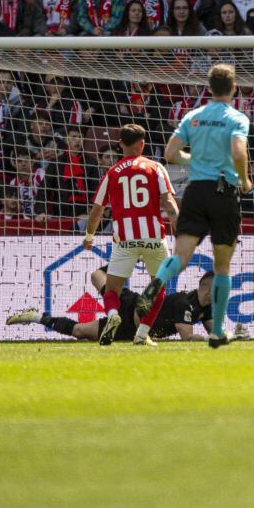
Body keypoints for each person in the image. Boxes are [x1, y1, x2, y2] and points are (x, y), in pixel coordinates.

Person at [137, 64, 251, 349]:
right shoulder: (236, 118)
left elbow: (170, 153)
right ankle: (217, 332)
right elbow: (239, 152)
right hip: (224, 192)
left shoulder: (193, 116)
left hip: (196, 192)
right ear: (234, 88)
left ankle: (158, 280)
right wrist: (245, 179)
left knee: (180, 257)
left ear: (209, 88)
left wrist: (195, 160)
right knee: (222, 267)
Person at [84, 124, 179, 346]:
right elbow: (169, 203)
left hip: (125, 240)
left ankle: (112, 314)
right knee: (158, 287)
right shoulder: (155, 168)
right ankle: (142, 334)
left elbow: (97, 211)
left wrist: (89, 236)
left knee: (112, 289)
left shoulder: (112, 173)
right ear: (142, 144)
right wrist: (180, 228)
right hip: (154, 239)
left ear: (120, 144)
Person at [6, 267, 217, 342]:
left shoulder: (207, 306)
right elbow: (188, 337)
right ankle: (125, 261)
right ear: (208, 289)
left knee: (79, 331)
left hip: (130, 330)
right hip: (129, 307)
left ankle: (36, 316)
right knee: (96, 275)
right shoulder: (184, 304)